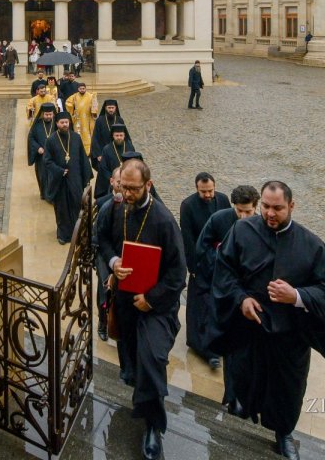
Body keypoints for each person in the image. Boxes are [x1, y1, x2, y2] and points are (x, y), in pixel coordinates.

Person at [211, 180, 325, 460]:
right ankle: (240, 412)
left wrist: (296, 295)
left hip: (288, 337)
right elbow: (224, 270)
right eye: (266, 207)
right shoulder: (242, 230)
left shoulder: (311, 245)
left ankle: (283, 434)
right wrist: (240, 298)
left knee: (285, 391)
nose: (270, 213)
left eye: (278, 208)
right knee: (244, 380)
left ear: (291, 206)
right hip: (248, 329)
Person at [97, 158, 185, 460]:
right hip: (125, 302)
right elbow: (104, 241)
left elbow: (178, 272)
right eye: (123, 187)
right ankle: (141, 396)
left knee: (152, 358)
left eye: (133, 188)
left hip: (156, 307)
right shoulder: (116, 208)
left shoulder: (163, 220)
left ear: (148, 185)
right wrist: (114, 262)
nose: (127, 193)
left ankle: (153, 426)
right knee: (134, 361)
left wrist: (153, 298)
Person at [195, 184, 260, 409]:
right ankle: (232, 397)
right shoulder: (219, 219)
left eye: (248, 212)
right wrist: (221, 259)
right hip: (226, 293)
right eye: (239, 211)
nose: (242, 216)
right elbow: (201, 248)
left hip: (252, 297)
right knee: (231, 351)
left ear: (256, 208)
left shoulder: (263, 227)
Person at [178, 172, 231, 368]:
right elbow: (188, 239)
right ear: (196, 189)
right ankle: (202, 346)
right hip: (200, 260)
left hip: (220, 259)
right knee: (200, 305)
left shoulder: (223, 200)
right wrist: (192, 266)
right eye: (204, 192)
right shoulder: (188, 205)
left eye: (210, 191)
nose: (208, 195)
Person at [43, 111, 93, 244]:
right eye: (62, 122)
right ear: (57, 124)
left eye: (66, 122)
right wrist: (59, 171)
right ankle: (63, 235)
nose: (65, 124)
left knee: (77, 205)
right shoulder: (51, 140)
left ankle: (77, 234)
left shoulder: (76, 137)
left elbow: (83, 157)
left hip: (75, 178)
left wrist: (86, 176)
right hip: (60, 181)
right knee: (62, 208)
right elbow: (47, 161)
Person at [94, 164, 124, 341]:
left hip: (124, 253)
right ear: (112, 182)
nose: (121, 187)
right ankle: (103, 321)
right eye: (119, 182)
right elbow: (97, 234)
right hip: (105, 254)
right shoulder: (102, 203)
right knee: (105, 289)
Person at [94, 122, 134, 202]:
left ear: (124, 135)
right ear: (113, 136)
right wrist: (114, 180)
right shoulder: (107, 149)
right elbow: (103, 168)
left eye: (121, 135)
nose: (119, 138)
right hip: (111, 183)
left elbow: (134, 164)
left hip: (127, 181)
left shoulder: (129, 146)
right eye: (117, 135)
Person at [27, 103, 56, 198]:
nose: (48, 116)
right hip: (41, 157)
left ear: (53, 114)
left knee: (54, 175)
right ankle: (44, 194)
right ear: (42, 114)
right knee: (42, 176)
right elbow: (31, 138)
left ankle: (52, 195)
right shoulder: (37, 124)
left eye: (50, 114)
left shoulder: (57, 123)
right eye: (46, 114)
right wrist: (37, 147)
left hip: (55, 156)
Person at [65, 81, 99, 155]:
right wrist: (73, 108)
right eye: (80, 89)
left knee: (88, 135)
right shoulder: (74, 96)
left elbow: (95, 106)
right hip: (78, 120)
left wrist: (93, 109)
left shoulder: (90, 96)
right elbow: (67, 103)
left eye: (83, 88)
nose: (82, 90)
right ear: (78, 89)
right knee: (77, 135)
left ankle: (88, 152)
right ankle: (78, 151)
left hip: (88, 119)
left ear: (85, 88)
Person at [90, 98, 125, 167]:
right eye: (109, 108)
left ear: (115, 108)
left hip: (117, 151)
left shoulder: (120, 120)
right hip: (103, 151)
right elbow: (95, 137)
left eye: (112, 108)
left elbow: (125, 136)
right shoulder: (99, 120)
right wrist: (98, 154)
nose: (111, 110)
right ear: (105, 108)